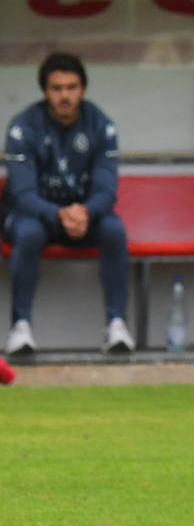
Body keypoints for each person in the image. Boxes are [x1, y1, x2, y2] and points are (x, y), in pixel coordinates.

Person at [2, 52, 133, 356]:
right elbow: (22, 193)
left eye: (71, 87)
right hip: (33, 216)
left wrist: (85, 212)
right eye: (56, 88)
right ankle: (20, 327)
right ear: (45, 91)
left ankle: (116, 324)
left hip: (82, 216)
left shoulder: (100, 125)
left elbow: (106, 189)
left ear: (82, 89)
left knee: (114, 229)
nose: (64, 95)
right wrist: (59, 214)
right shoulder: (24, 125)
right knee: (29, 233)